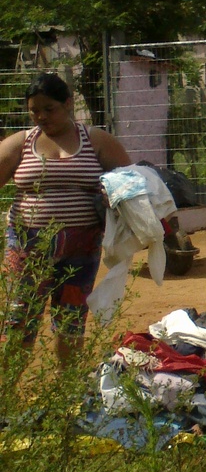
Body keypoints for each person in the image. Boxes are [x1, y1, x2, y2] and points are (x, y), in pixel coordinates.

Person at [0, 72, 131, 365]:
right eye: (34, 110)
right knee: (18, 320)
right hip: (27, 249)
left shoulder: (95, 140)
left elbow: (132, 184)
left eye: (49, 109)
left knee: (71, 321)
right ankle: (6, 400)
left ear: (68, 104)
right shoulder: (21, 143)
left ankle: (67, 398)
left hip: (81, 250)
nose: (41, 116)